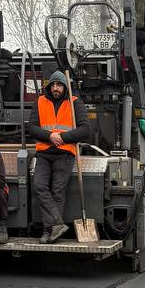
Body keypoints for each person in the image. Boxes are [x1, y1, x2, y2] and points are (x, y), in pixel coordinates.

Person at [27, 71, 92, 244]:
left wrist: (61, 137)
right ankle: (56, 224)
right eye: (53, 85)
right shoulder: (40, 102)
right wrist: (49, 136)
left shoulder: (75, 103)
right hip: (44, 152)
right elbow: (31, 128)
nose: (55, 88)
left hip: (64, 153)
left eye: (59, 85)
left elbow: (86, 130)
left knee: (57, 191)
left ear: (65, 87)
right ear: (49, 87)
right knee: (39, 186)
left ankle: (48, 231)